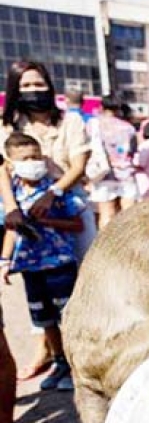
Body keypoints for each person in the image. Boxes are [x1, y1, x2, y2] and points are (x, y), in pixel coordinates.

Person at [0, 60, 95, 381]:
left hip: (69, 205)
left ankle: (87, 352)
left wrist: (52, 193)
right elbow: (2, 167)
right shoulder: (9, 124)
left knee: (83, 281)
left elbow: (79, 165)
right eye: (25, 86)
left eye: (39, 84)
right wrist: (12, 207)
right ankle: (50, 352)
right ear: (15, 89)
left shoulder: (70, 121)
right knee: (38, 291)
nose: (33, 91)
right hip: (25, 213)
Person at [0, 132, 84, 392]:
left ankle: (77, 365)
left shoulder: (54, 191)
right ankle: (58, 360)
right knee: (43, 318)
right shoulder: (10, 195)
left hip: (59, 266)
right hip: (30, 268)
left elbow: (77, 224)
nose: (32, 162)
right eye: (25, 158)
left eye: (36, 157)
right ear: (11, 163)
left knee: (67, 317)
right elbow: (11, 229)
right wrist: (4, 260)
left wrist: (48, 220)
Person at [86, 94, 139, 228]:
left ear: (102, 106)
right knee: (129, 214)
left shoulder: (93, 124)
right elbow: (133, 151)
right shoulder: (129, 128)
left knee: (106, 214)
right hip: (126, 173)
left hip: (104, 173)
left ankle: (108, 245)